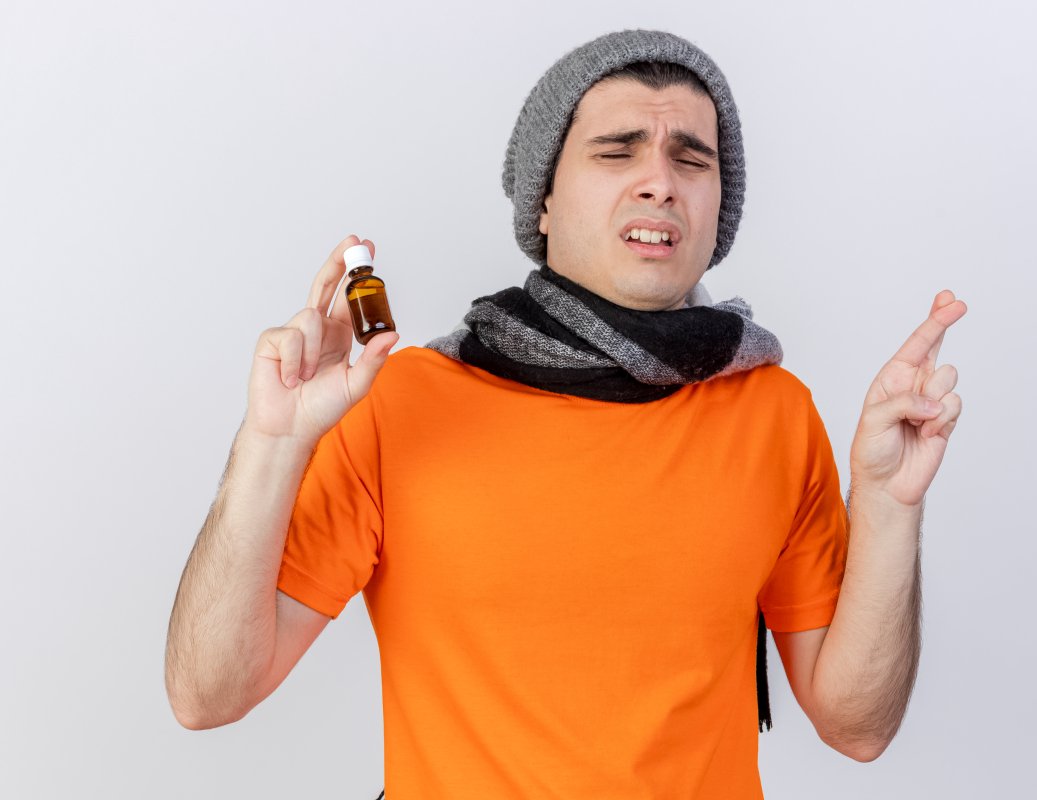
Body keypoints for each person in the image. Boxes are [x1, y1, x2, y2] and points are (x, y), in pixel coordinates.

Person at [165, 28, 966, 799]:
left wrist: (889, 505)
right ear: (542, 200)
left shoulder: (774, 414)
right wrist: (272, 443)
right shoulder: (403, 405)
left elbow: (857, 726)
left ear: (719, 209)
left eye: (691, 158)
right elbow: (208, 693)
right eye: (617, 151)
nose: (659, 181)